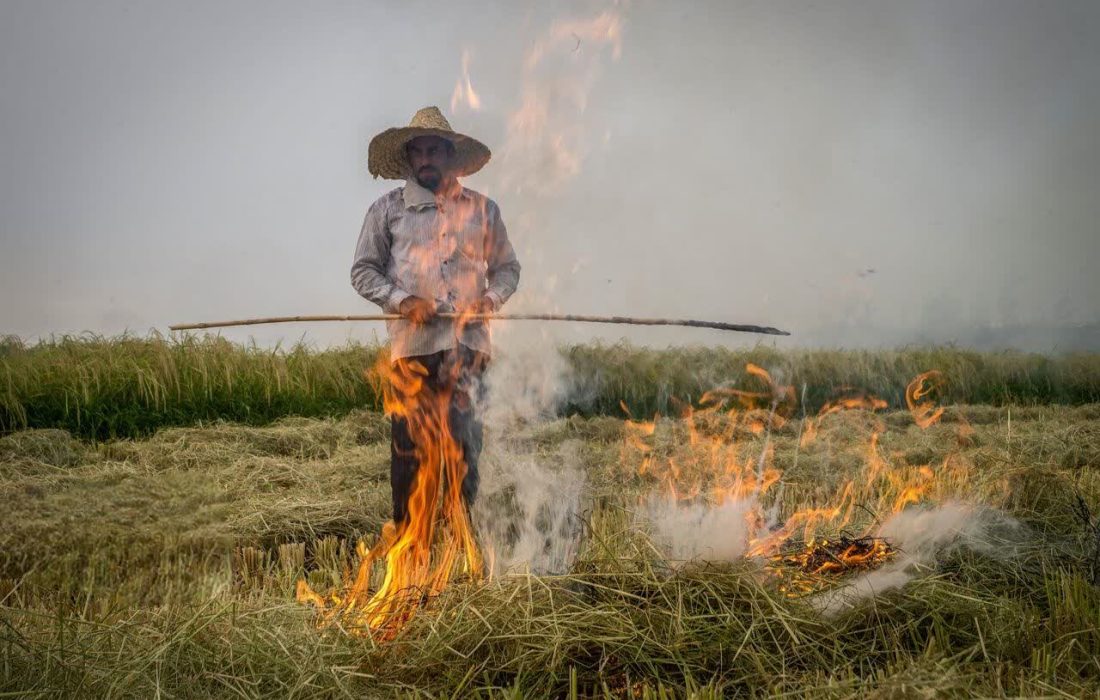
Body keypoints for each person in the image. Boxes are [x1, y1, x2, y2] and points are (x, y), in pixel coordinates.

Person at [351, 106, 521, 527]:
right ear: (410, 158)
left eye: (434, 150)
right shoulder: (387, 210)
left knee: (464, 451)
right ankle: (412, 547)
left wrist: (489, 300)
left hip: (469, 348)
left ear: (450, 155)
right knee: (410, 453)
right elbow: (363, 271)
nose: (425, 158)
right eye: (418, 151)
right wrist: (403, 301)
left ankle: (462, 540)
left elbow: (507, 270)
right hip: (415, 350)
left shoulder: (484, 210)